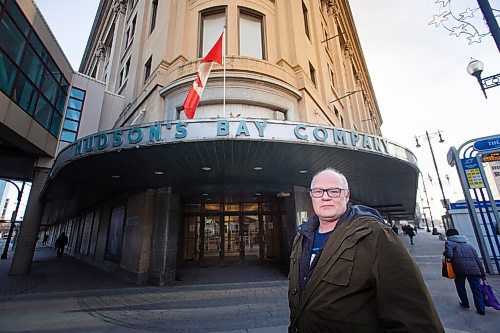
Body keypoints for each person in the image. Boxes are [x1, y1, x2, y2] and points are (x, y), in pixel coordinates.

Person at [288, 168, 444, 332]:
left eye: (334, 191)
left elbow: (414, 319)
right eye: (318, 191)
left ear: (346, 196)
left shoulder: (375, 235)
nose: (325, 197)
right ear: (311, 196)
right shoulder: (301, 237)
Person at [444, 228, 486, 315]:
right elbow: (477, 259)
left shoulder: (449, 242)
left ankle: (465, 303)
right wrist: (482, 272)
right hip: (474, 269)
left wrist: (445, 253)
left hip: (459, 268)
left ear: (448, 235)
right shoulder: (468, 244)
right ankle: (481, 308)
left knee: (460, 286)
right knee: (476, 288)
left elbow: (450, 255)